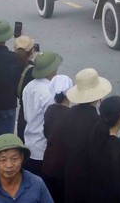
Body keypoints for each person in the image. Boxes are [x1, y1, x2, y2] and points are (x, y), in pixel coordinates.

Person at [63, 68, 113, 203]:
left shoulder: (71, 112)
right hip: (88, 182)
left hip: (69, 174)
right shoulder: (98, 123)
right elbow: (100, 159)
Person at [0, 134, 54, 203]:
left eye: (14, 159)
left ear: (21, 158)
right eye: (3, 160)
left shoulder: (37, 184)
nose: (9, 165)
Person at [22, 51, 64, 179]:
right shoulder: (50, 93)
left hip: (29, 143)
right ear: (51, 70)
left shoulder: (29, 86)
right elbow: (53, 125)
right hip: (43, 149)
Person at [42, 75, 74, 203]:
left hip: (48, 162)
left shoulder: (50, 109)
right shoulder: (71, 115)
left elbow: (46, 132)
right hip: (62, 168)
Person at [15, 35, 37, 141]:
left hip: (21, 105)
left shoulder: (12, 63)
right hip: (30, 109)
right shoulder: (33, 70)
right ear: (32, 51)